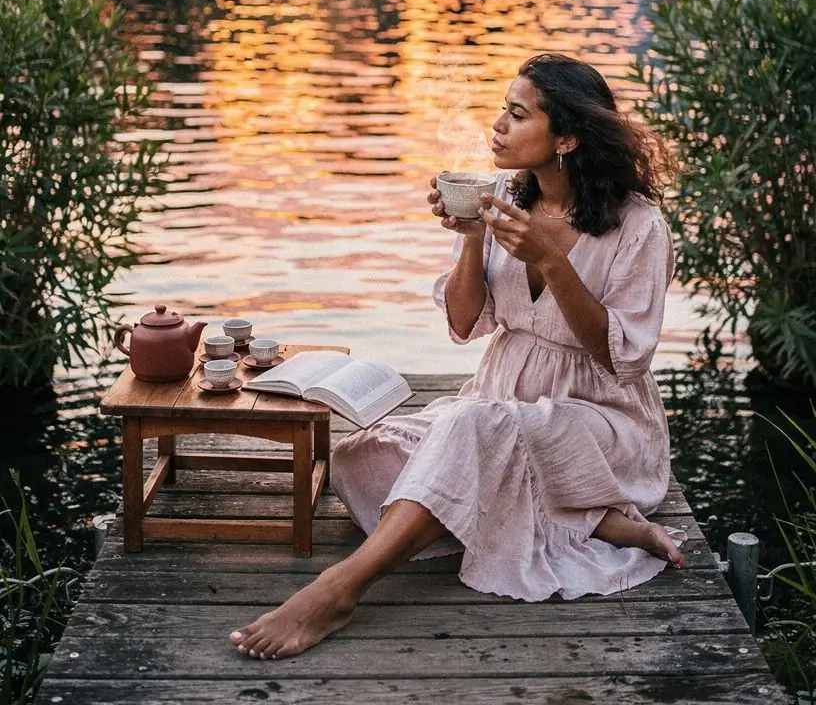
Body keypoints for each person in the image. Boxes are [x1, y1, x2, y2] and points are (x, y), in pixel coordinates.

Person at [230, 53, 685, 661]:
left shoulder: (638, 227)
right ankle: (592, 519)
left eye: (517, 115)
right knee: (362, 457)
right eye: (502, 108)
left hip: (600, 416)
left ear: (568, 138)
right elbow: (466, 322)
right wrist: (470, 237)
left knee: (470, 428)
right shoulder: (499, 196)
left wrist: (551, 259)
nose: (498, 124)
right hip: (503, 394)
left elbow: (620, 357)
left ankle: (340, 588)